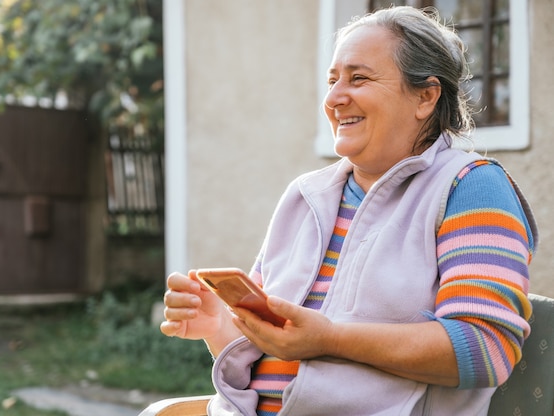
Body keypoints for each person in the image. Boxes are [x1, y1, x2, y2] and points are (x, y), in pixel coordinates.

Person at [160, 5, 538, 416]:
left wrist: (331, 339)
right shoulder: (305, 196)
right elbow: (276, 345)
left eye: (358, 78)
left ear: (426, 97)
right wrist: (220, 325)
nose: (335, 99)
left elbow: (484, 349)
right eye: (332, 80)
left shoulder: (471, 187)